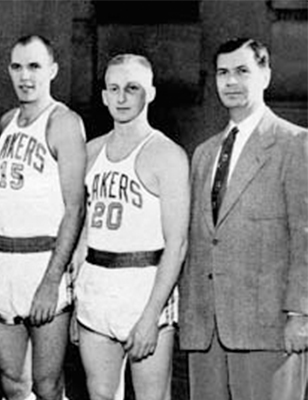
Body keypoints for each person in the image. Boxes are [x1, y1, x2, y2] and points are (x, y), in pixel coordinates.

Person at [180, 37, 308, 400]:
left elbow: (305, 235)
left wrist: (301, 314)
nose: (231, 81)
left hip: (269, 326)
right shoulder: (204, 154)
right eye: (223, 73)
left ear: (265, 76)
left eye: (242, 71)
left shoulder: (295, 144)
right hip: (207, 328)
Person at [73, 54, 187, 400]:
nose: (121, 98)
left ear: (150, 93)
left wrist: (152, 314)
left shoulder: (167, 154)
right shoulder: (90, 152)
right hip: (97, 286)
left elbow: (177, 243)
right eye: (114, 88)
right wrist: (77, 298)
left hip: (144, 287)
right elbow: (83, 233)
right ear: (104, 95)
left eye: (132, 88)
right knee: (100, 395)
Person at [0, 35, 86, 400]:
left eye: (35, 66)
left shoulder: (63, 122)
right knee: (12, 380)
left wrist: (51, 280)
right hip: (1, 262)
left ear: (52, 70)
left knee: (47, 385)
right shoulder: (6, 122)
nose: (25, 76)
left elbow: (75, 207)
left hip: (42, 262)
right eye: (18, 66)